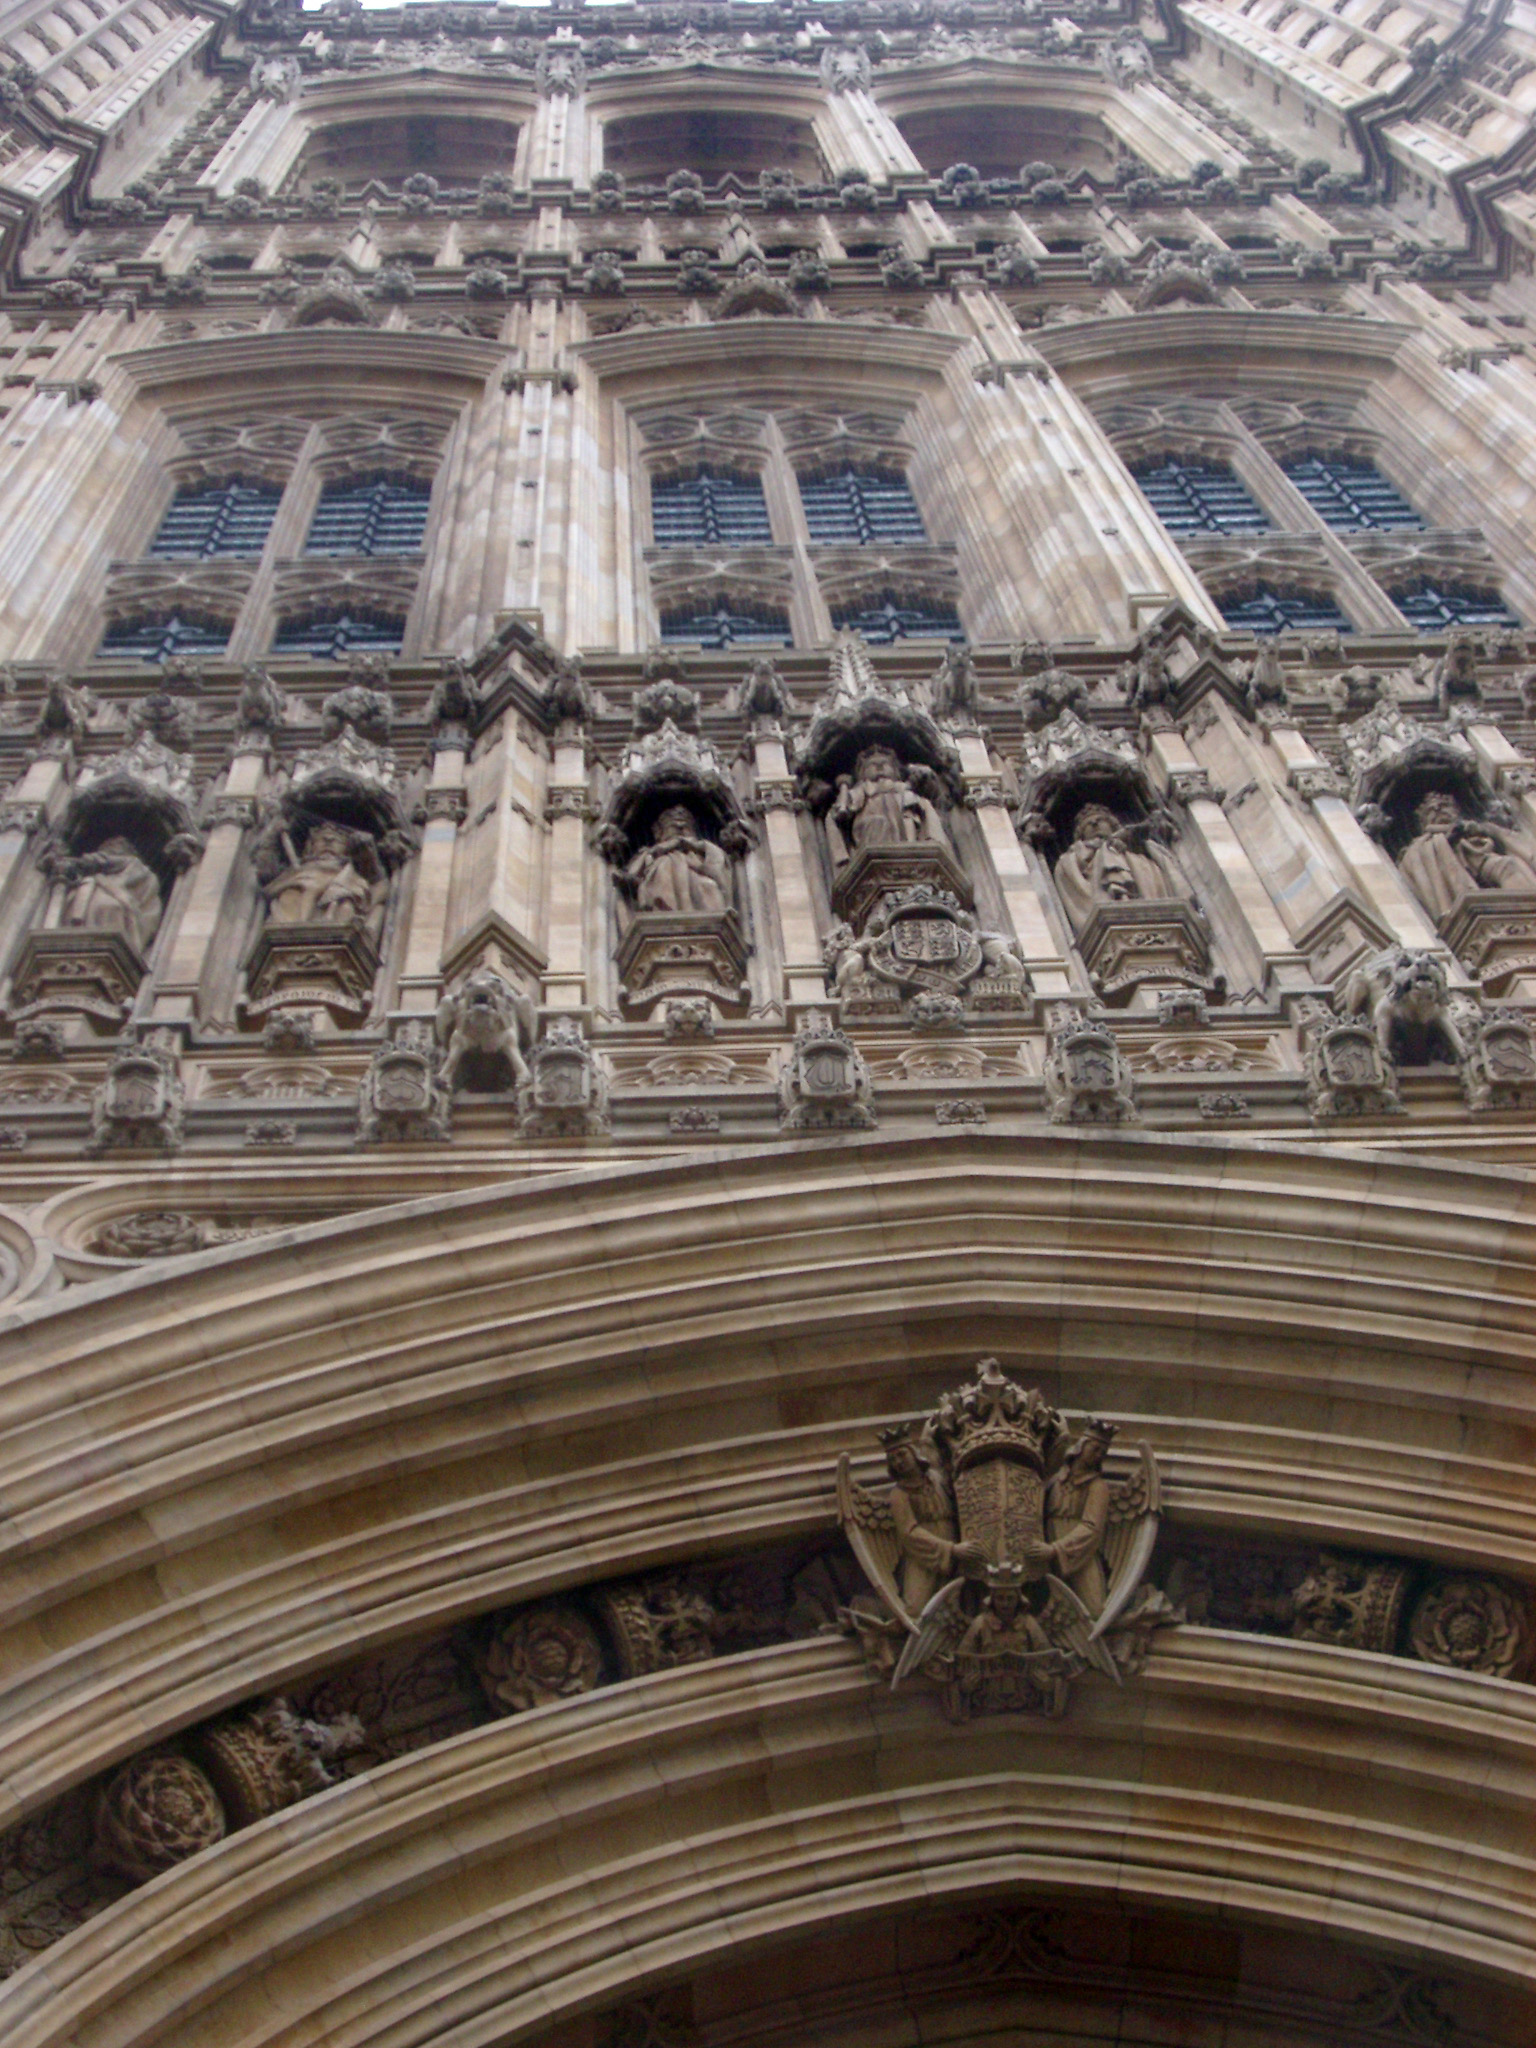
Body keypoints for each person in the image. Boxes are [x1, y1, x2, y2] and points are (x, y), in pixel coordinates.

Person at [881, 1429, 985, 1616]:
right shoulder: (898, 1495)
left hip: (956, 1542)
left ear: (913, 1452)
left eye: (901, 1454)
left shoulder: (937, 1479)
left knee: (965, 1602)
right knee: (915, 1611)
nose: (898, 1462)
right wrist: (950, 1550)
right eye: (892, 1460)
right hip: (924, 1556)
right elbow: (909, 1533)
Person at [1399, 791, 1536, 919]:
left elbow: (1509, 839)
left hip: (1482, 857)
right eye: (1431, 810)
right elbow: (1417, 865)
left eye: (1443, 806)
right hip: (1456, 869)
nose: (1438, 811)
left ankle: (1527, 916)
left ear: (1456, 810)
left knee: (1510, 865)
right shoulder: (1423, 844)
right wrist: (1448, 837)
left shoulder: (1475, 826)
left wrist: (1480, 830)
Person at [1052, 803, 1183, 935]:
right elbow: (1065, 872)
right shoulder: (1074, 855)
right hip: (1102, 903)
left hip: (1146, 890)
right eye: (1088, 824)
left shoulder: (1138, 847)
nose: (1094, 825)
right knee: (1105, 853)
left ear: (1112, 824)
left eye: (1099, 820)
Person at [1040, 1419, 1116, 1616]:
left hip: (1079, 1553)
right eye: (1095, 1448)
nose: (1098, 1455)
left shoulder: (1097, 1487)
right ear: (1081, 1446)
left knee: (1094, 1611)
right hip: (1046, 1546)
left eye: (1103, 1453)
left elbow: (1091, 1528)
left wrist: (1056, 1549)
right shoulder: (1055, 1481)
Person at [828, 746, 948, 864]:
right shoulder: (862, 789)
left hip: (905, 821)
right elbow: (843, 809)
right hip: (872, 825)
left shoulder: (902, 787)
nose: (879, 767)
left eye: (885, 763)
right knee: (877, 825)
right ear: (863, 772)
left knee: (911, 826)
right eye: (872, 764)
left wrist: (920, 774)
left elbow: (930, 792)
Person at [265, 821, 384, 940]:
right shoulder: (295, 871)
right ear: (311, 846)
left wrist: (366, 849)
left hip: (337, 925)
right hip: (289, 926)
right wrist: (272, 835)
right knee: (291, 894)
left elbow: (376, 877)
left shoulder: (350, 872)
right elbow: (265, 871)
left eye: (336, 840)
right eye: (321, 839)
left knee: (347, 903)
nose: (328, 842)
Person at [622, 804, 730, 915]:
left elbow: (718, 865)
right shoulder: (653, 852)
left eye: (685, 827)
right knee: (663, 873)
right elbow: (632, 874)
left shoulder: (701, 849)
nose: (680, 830)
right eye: (674, 827)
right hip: (662, 875)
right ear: (659, 832)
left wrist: (696, 846)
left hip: (698, 875)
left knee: (708, 886)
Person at [60, 836, 162, 955]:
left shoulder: (132, 863)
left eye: (116, 844)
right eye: (109, 845)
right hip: (95, 893)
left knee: (108, 907)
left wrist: (72, 861)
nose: (110, 847)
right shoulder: (96, 873)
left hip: (117, 899)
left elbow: (98, 860)